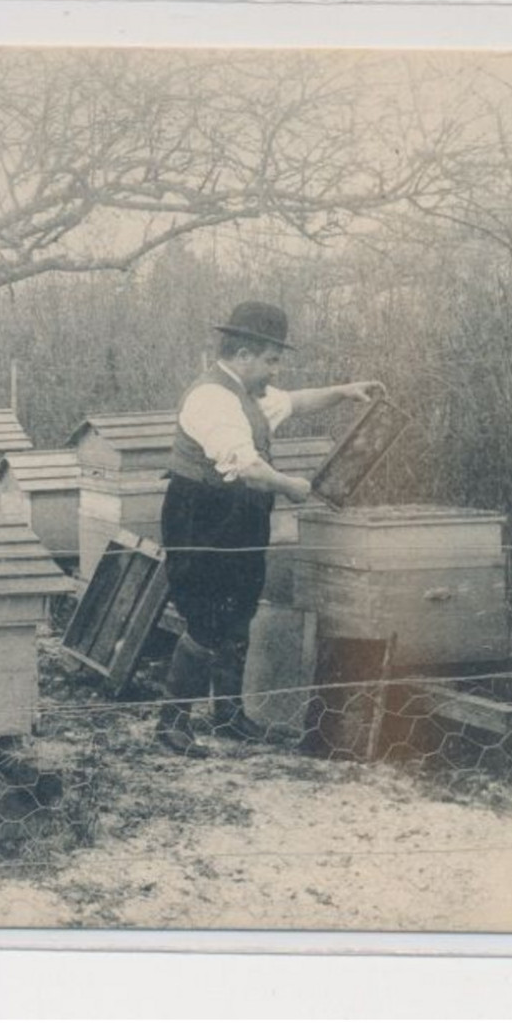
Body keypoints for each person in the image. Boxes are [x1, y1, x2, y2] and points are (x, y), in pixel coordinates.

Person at [155, 302, 383, 757]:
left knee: (239, 610)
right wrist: (292, 486)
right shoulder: (213, 398)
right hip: (201, 517)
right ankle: (172, 722)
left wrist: (344, 391)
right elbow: (249, 470)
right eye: (272, 360)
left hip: (239, 517)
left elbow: (294, 402)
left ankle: (229, 715)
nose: (276, 371)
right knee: (205, 617)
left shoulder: (250, 393)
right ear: (242, 354)